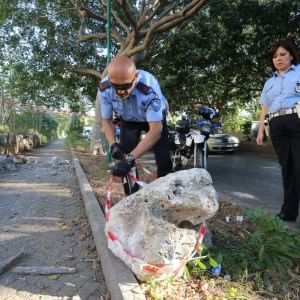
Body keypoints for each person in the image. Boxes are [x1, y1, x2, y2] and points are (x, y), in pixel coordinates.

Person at [98, 55, 173, 182]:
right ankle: (131, 194)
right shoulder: (105, 89)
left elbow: (155, 130)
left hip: (154, 121)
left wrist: (130, 159)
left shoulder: (150, 88)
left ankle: (167, 194)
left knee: (163, 160)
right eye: (116, 87)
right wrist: (113, 144)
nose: (121, 92)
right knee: (123, 158)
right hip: (129, 120)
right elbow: (106, 119)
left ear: (136, 78)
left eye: (126, 86)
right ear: (110, 81)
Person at [256, 39, 300, 222]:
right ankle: (288, 212)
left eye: (282, 54)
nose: (278, 59)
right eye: (275, 56)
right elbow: (264, 108)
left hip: (296, 120)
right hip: (276, 125)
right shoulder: (269, 82)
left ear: (291, 55)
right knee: (287, 169)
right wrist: (260, 131)